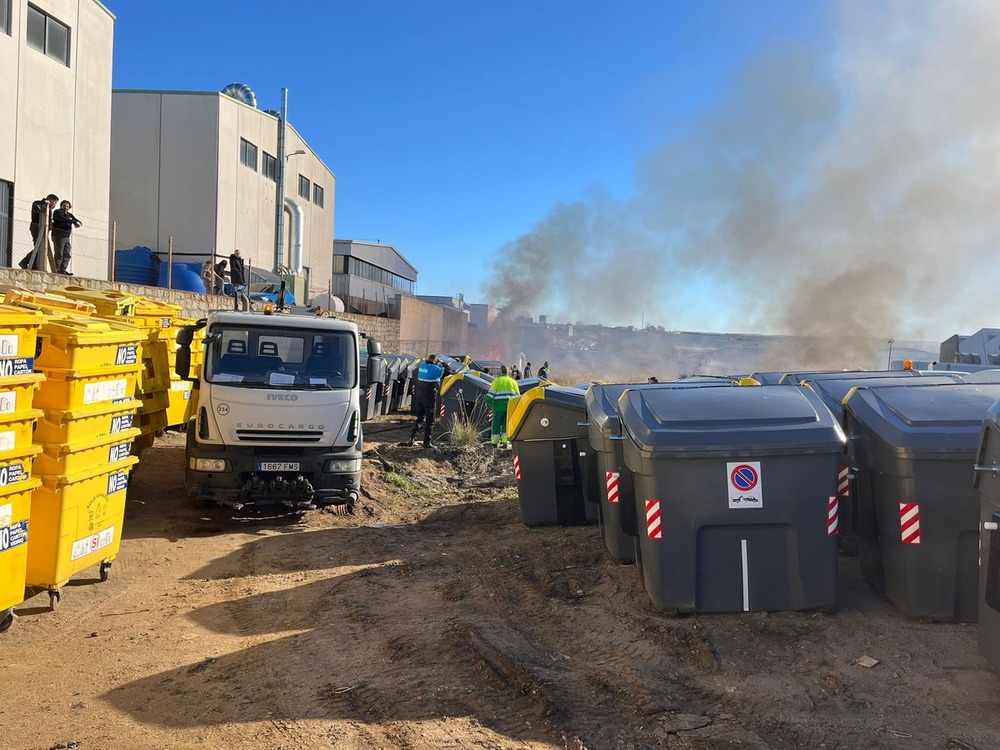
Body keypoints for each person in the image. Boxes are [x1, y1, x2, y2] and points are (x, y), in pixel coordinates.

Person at [405, 353, 444, 448]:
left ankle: (412, 439)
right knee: (430, 420)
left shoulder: (422, 366)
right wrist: (442, 362)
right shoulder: (435, 369)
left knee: (420, 417)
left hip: (420, 395)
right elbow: (448, 371)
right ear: (435, 361)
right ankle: (427, 442)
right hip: (430, 396)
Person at [19, 193, 59, 270]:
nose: (54, 205)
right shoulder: (37, 203)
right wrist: (45, 204)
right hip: (37, 226)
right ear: (50, 200)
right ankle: (25, 262)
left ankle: (34, 264)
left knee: (41, 247)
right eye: (54, 203)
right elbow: (38, 211)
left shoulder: (48, 208)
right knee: (39, 246)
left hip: (45, 228)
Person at [485, 365, 520, 448]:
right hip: (509, 407)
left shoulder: (497, 381)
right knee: (506, 424)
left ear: (500, 372)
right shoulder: (513, 382)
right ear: (507, 372)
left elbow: (491, 394)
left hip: (498, 407)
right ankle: (505, 442)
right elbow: (517, 396)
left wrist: (487, 400)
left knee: (496, 424)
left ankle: (495, 442)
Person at [50, 199, 82, 274]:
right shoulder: (58, 212)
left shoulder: (69, 215)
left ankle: (62, 270)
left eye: (67, 206)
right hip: (59, 236)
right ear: (61, 206)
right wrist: (74, 222)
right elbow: (64, 219)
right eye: (64, 205)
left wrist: (78, 223)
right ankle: (56, 269)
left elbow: (76, 220)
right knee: (59, 254)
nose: (65, 207)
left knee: (67, 254)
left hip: (66, 237)